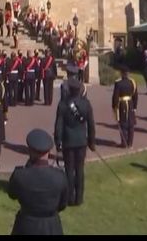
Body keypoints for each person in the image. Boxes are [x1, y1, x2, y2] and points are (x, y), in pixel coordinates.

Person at [8, 128, 68, 235]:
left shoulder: (20, 175)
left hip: (26, 225)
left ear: (30, 150)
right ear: (49, 151)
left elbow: (12, 194)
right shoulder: (60, 176)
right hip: (52, 227)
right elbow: (63, 204)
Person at [54, 77, 96, 206]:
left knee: (69, 170)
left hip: (68, 141)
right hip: (81, 141)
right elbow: (91, 125)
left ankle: (69, 198)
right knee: (80, 170)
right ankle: (79, 198)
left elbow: (59, 125)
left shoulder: (63, 105)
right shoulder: (86, 104)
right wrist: (91, 142)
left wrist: (58, 141)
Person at [111, 66, 138, 148]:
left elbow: (115, 96)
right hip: (130, 103)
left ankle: (124, 143)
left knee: (123, 123)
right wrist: (135, 106)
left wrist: (114, 106)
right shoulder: (132, 82)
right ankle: (130, 143)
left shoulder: (118, 83)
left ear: (121, 73)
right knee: (131, 123)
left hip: (122, 104)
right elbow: (135, 96)